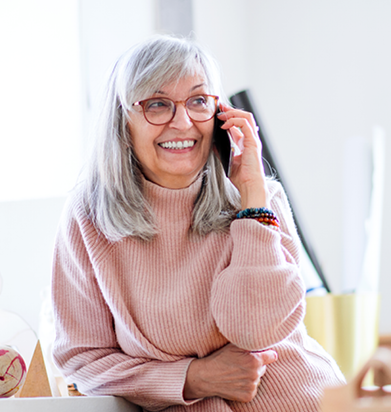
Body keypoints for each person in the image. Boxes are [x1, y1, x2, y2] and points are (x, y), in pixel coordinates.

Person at [51, 34, 345, 412]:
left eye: (198, 101)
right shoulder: (88, 217)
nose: (183, 121)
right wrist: (193, 377)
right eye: (157, 104)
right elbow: (83, 360)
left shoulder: (259, 199)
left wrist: (252, 198)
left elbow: (258, 332)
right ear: (123, 122)